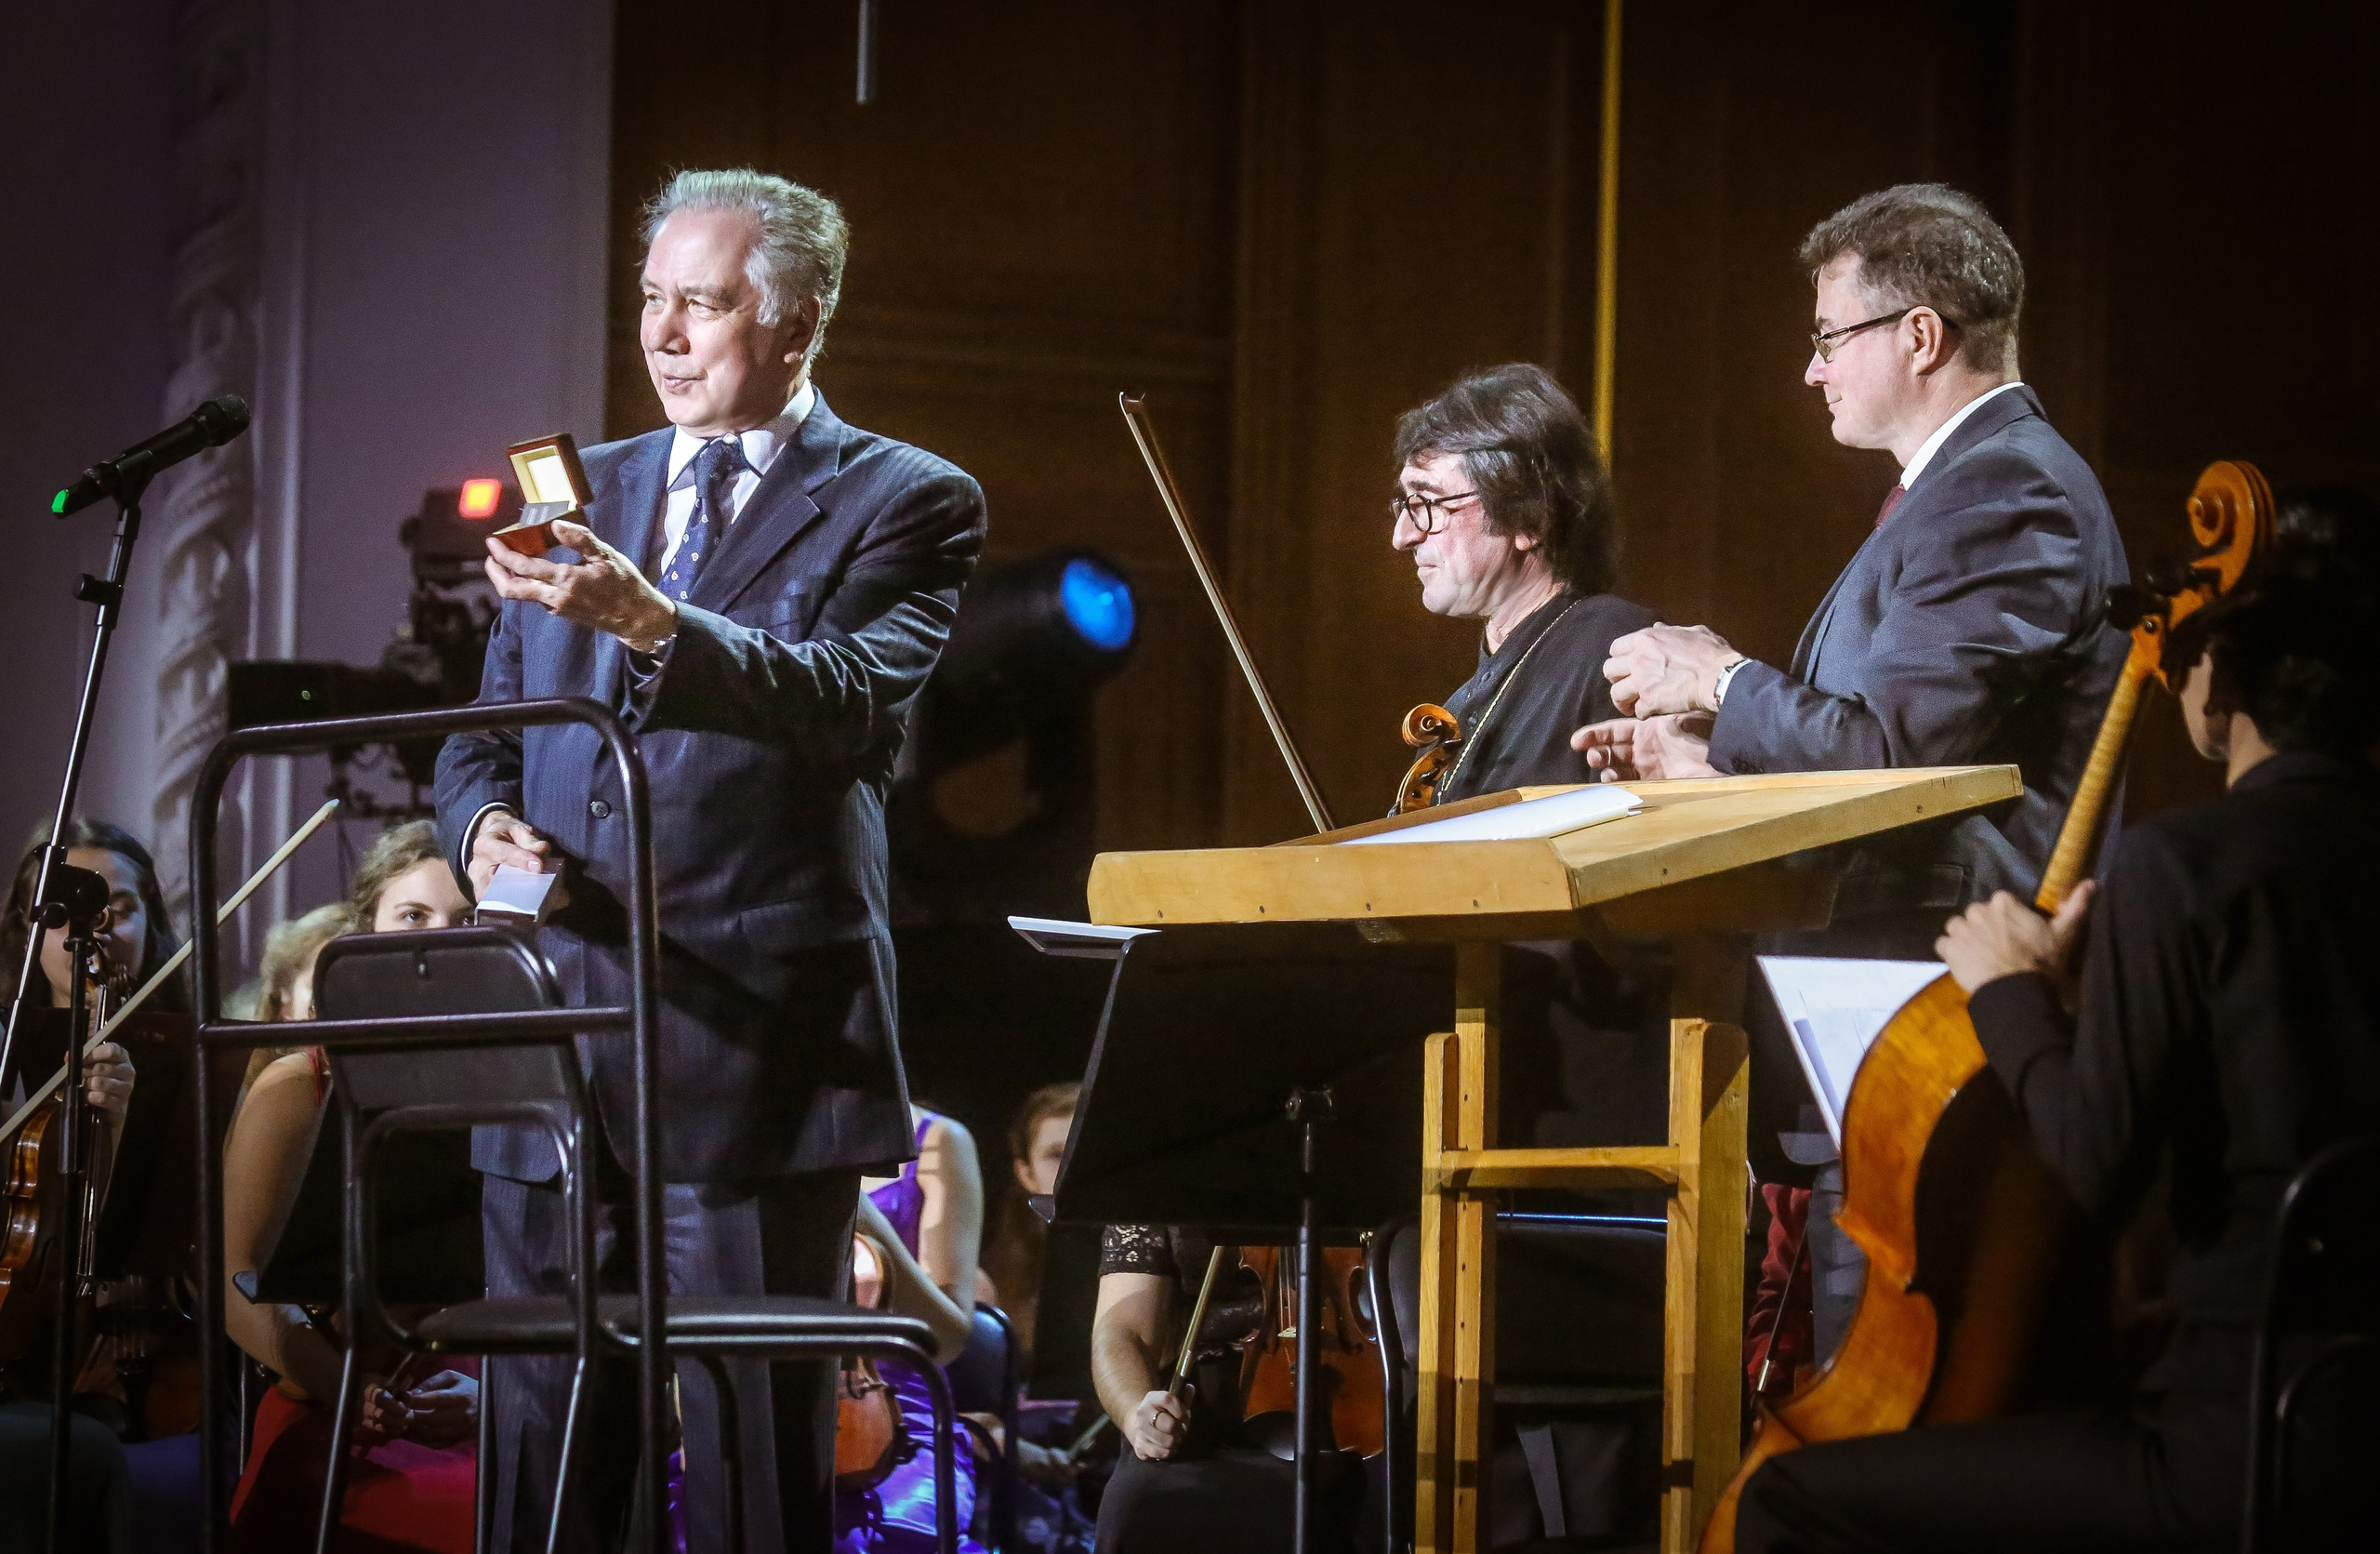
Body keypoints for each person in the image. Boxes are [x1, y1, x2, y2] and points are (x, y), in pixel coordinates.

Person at [435, 165, 987, 1553]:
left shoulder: (907, 496)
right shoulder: (588, 482)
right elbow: (480, 738)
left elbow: (853, 699)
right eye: (652, 300)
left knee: (753, 1463)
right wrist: (477, 822)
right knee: (544, 1464)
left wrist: (659, 625)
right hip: (558, 1048)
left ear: (799, 321)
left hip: (751, 1055)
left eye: (706, 303)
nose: (666, 334)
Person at [1733, 503, 2380, 1551]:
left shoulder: (2185, 867)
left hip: (2235, 1441)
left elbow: (2096, 1163)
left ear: (2218, 682)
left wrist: (2007, 989)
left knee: (1785, 1501)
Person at [1572, 183, 2131, 1360]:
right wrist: (1710, 764)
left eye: (1828, 338)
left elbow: (1896, 759)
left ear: (1917, 334)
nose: (1812, 370)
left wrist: (1722, 682)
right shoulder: (1956, 488)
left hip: (1935, 1012)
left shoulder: (2006, 487)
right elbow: (1885, 745)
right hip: (1884, 1023)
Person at [222, 821, 480, 1553]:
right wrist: (340, 1384)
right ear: (365, 933)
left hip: (480, 1393)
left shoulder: (529, 1081)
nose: (437, 940)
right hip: (330, 1391)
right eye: (412, 916)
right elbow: (230, 1274)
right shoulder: (298, 1083)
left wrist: (496, 1395)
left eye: (465, 920)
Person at [0, 821, 161, 1553]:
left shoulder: (192, 1055)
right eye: (66, 911)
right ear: (28, 930)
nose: (94, 933)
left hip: (151, 1351)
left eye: (119, 909)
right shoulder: (7, 1054)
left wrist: (120, 1128)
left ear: (154, 922)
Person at [1391, 364, 1654, 806]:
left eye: (1427, 503)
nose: (1403, 536)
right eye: (1404, 504)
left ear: (1527, 515)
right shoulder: (1463, 707)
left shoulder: (1618, 649)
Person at [836, 1105, 985, 1552]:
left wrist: (856, 1213)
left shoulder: (938, 1140)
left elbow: (947, 1337)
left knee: (863, 1537)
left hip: (895, 1410)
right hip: (762, 1402)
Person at [978, 1081, 1078, 1359]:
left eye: (1083, 1148)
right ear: (1026, 1175)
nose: (1072, 1167)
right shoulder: (995, 1277)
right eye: (1056, 1155)